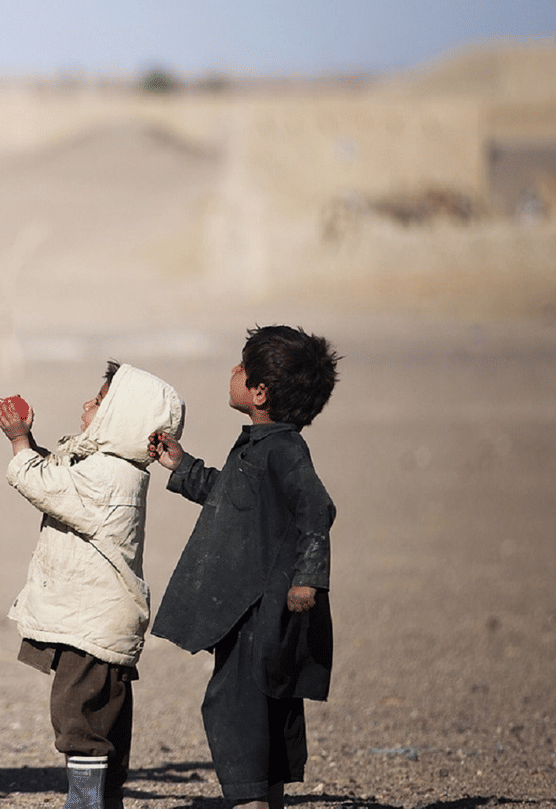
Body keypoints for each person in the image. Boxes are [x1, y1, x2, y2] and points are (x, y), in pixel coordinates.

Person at [148, 325, 341, 809]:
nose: (232, 371)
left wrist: (308, 579)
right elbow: (232, 500)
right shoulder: (260, 445)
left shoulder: (283, 450)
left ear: (259, 392)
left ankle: (250, 801)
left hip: (263, 609)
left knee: (237, 707)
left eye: (241, 366)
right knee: (262, 705)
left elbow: (317, 509)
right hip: (248, 608)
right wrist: (183, 466)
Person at [0, 363, 186, 809]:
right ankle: (104, 801)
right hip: (98, 620)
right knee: (104, 717)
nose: (86, 406)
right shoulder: (111, 468)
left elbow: (44, 484)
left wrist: (19, 442)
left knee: (79, 719)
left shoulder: (110, 476)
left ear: (124, 418)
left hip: (92, 625)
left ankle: (85, 804)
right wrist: (32, 443)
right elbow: (61, 476)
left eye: (99, 402)